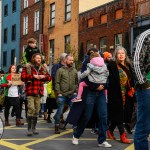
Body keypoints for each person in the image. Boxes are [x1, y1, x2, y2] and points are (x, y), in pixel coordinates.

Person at [72, 48, 112, 148]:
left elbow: (107, 77)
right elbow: (84, 78)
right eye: (94, 54)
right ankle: (76, 136)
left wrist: (104, 86)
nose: (97, 55)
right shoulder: (87, 64)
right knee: (87, 116)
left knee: (103, 116)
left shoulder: (103, 64)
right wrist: (96, 86)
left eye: (98, 54)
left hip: (102, 93)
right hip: (91, 92)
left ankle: (102, 140)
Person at [106, 46, 134, 144]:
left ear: (125, 55)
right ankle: (123, 135)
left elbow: (131, 79)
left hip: (126, 94)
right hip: (115, 94)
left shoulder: (128, 65)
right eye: (119, 53)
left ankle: (110, 130)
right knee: (119, 115)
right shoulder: (112, 65)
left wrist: (132, 88)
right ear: (116, 55)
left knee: (119, 115)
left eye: (123, 53)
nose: (121, 55)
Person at [21, 53, 51, 136]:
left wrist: (42, 77)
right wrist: (33, 76)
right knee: (31, 109)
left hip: (39, 92)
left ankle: (34, 128)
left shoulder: (43, 67)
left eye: (40, 58)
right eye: (37, 58)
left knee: (37, 111)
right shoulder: (28, 67)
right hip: (30, 91)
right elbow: (23, 77)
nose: (39, 59)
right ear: (33, 58)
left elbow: (49, 77)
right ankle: (29, 129)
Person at [133, 29, 150, 150]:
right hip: (147, 89)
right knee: (144, 126)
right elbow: (136, 62)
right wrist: (145, 84)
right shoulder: (145, 36)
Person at [54, 54, 78, 134]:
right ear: (65, 60)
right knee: (60, 110)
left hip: (72, 94)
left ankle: (75, 126)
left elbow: (76, 82)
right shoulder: (60, 70)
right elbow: (56, 82)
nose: (71, 62)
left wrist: (75, 91)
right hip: (62, 94)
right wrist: (59, 93)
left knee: (74, 110)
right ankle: (57, 125)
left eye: (72, 60)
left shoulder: (74, 71)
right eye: (70, 60)